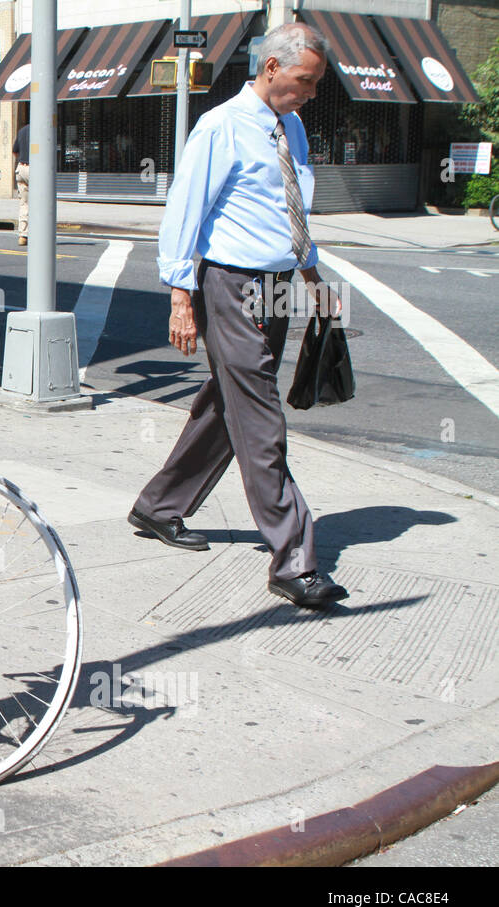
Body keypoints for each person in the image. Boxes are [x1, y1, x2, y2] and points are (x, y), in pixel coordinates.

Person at [127, 21, 348, 609]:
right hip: (230, 284)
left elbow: (288, 206)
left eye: (317, 83)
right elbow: (185, 211)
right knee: (259, 416)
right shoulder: (220, 126)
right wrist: (180, 294)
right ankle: (294, 559)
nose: (310, 92)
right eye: (305, 80)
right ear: (271, 68)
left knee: (231, 403)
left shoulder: (291, 127)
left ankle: (159, 506)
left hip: (277, 283)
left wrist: (311, 277)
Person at [12, 117, 30, 245]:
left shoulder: (22, 131)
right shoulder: (42, 130)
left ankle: (23, 235)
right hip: (34, 168)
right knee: (41, 204)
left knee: (24, 203)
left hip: (21, 168)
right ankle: (41, 233)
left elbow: (15, 151)